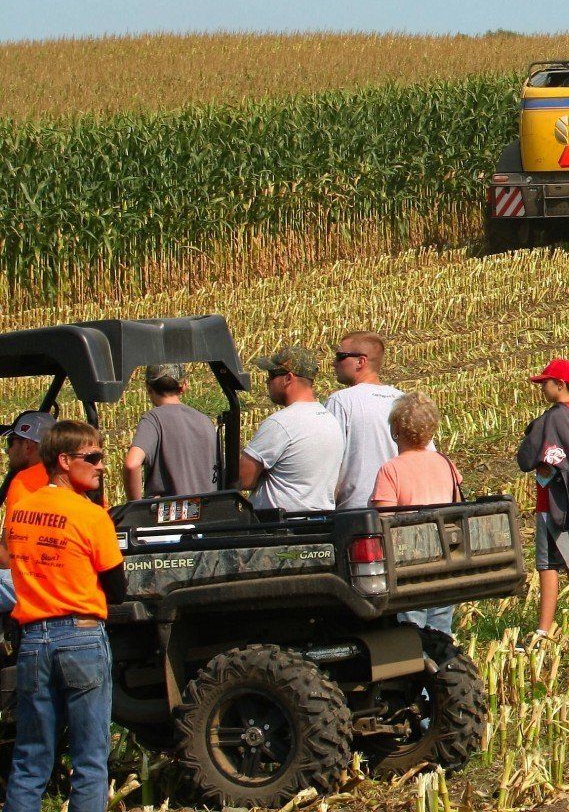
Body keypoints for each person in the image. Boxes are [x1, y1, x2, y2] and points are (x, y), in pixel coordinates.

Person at [3, 419, 123, 812]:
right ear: (65, 460)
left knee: (30, 759)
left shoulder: (20, 511)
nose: (102, 465)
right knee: (90, 760)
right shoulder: (91, 516)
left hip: (34, 640)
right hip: (83, 637)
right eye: (93, 457)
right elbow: (117, 588)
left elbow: (7, 559)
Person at [370, 392, 461, 635]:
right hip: (444, 555)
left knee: (412, 626)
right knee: (441, 624)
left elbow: (383, 518)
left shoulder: (391, 470)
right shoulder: (445, 463)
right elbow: (457, 503)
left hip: (409, 560)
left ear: (396, 429)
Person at [517, 358, 569, 639]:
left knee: (547, 566)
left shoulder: (554, 416)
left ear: (560, 384)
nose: (542, 388)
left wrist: (538, 457)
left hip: (552, 501)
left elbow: (535, 459)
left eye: (545, 383)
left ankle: (544, 629)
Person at [240, 346, 345, 512]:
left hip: (282, 530)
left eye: (272, 375)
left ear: (288, 378)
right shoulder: (330, 420)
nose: (268, 381)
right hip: (319, 524)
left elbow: (243, 479)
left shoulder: (281, 423)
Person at [326, 331, 402, 510]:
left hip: (357, 511)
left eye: (340, 356)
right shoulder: (403, 400)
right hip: (400, 509)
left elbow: (328, 461)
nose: (334, 363)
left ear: (361, 361)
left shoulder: (342, 401)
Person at [122, 363, 217, 501]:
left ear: (148, 388)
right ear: (184, 386)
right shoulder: (205, 421)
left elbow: (132, 464)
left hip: (170, 516)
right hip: (207, 513)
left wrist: (135, 507)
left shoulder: (153, 419)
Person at [0, 411, 55, 613]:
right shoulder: (71, 474)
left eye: (11, 443)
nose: (8, 451)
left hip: (38, 582)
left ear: (27, 446)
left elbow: (6, 558)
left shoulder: (24, 481)